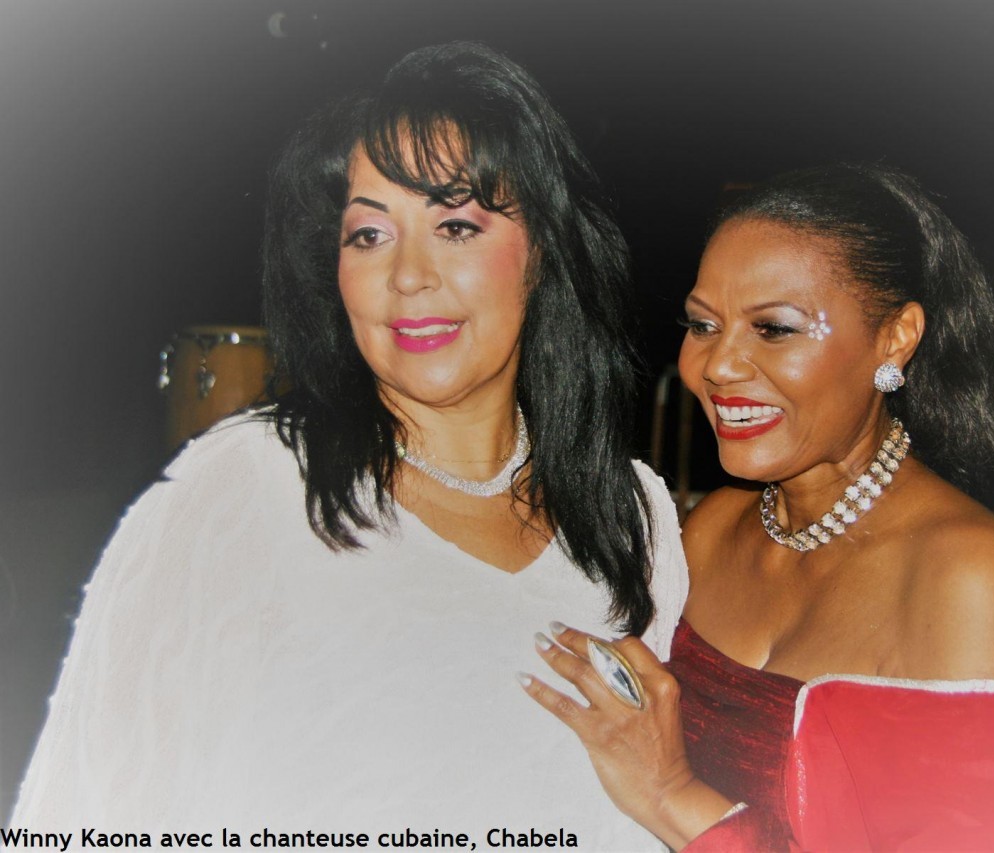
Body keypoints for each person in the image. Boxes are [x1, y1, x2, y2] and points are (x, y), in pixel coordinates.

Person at [11, 42, 686, 849]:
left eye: (456, 225)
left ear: (542, 252)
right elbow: (87, 805)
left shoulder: (633, 515)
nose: (409, 274)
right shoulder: (242, 492)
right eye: (368, 234)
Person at [524, 163, 994, 850]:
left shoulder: (966, 576)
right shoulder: (711, 530)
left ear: (895, 339)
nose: (718, 365)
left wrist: (671, 795)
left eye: (774, 329)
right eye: (703, 325)